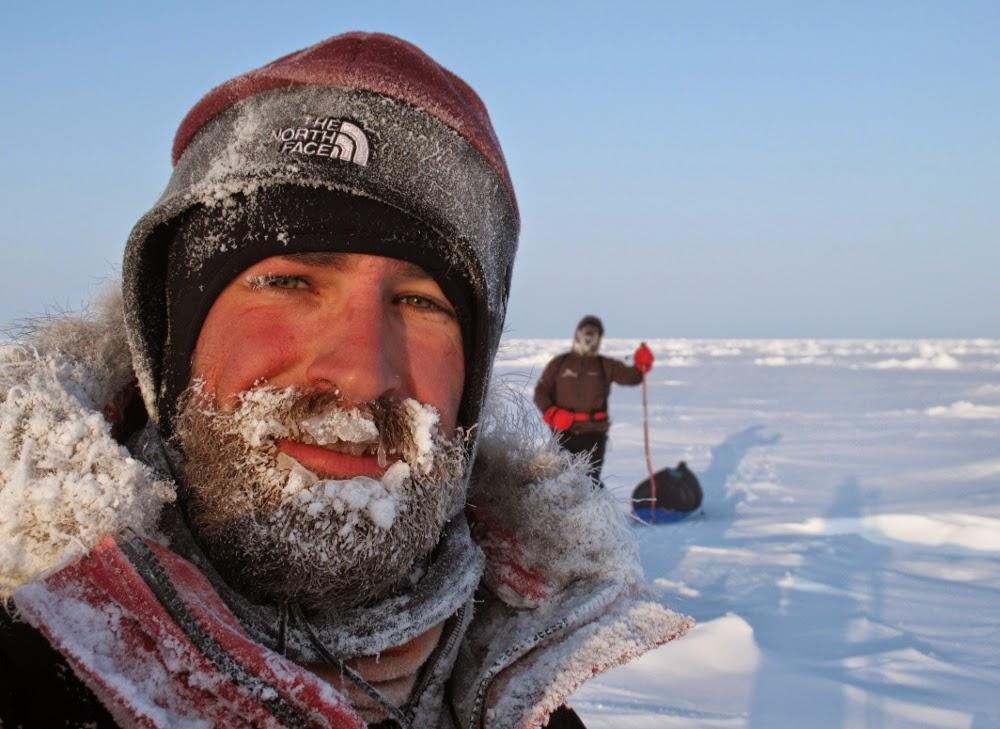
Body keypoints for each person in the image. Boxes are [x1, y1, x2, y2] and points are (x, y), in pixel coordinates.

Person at [0, 33, 690, 728]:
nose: (362, 373)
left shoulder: (527, 710)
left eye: (420, 301)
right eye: (289, 281)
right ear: (169, 343)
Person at [534, 316, 654, 481]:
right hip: (563, 433)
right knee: (560, 480)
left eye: (594, 333)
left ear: (599, 337)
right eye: (586, 332)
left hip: (594, 435)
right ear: (578, 334)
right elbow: (541, 391)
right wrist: (552, 412)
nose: (589, 336)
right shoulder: (559, 363)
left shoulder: (605, 365)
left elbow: (631, 377)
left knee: (589, 481)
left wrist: (641, 365)